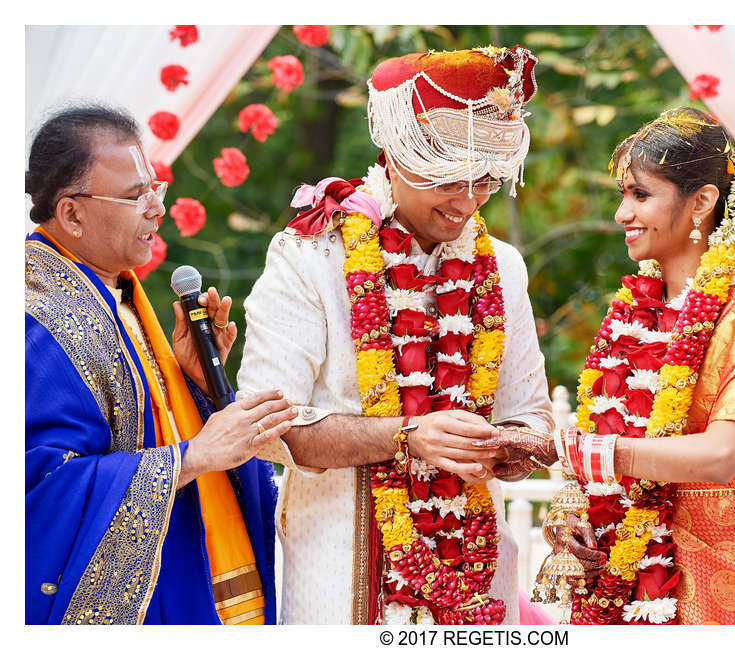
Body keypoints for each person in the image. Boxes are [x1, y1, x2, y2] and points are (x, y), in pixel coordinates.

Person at [236, 46, 554, 625]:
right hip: (339, 581)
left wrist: (511, 448)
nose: (468, 201)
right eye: (448, 180)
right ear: (397, 156)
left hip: (476, 575)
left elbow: (529, 413)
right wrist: (409, 436)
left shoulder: (501, 265)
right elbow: (268, 424)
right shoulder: (310, 255)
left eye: (484, 181)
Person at [485, 107, 735, 624]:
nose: (621, 214)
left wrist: (580, 452)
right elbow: (605, 448)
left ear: (702, 202)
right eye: (623, 195)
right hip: (620, 570)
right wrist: (576, 511)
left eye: (641, 195)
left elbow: (722, 455)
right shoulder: (633, 316)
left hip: (729, 568)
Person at [25, 104, 296, 624]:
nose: (156, 210)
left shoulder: (113, 291)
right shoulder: (35, 320)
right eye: (135, 197)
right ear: (72, 214)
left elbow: (143, 432)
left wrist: (192, 384)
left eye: (157, 190)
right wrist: (189, 458)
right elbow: (38, 489)